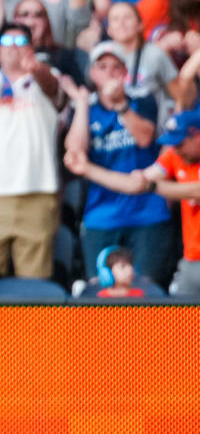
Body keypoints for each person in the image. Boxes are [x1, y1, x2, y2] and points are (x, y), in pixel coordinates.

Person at [62, 43, 173, 287]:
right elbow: (75, 153)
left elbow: (145, 138)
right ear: (92, 73)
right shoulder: (87, 106)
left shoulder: (142, 98)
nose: (109, 72)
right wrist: (80, 104)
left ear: (125, 72)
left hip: (147, 212)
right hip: (101, 214)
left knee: (147, 290)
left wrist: (121, 104)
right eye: (102, 66)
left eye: (115, 66)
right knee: (99, 292)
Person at [66, 107, 200, 296]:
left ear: (197, 136)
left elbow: (196, 191)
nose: (176, 149)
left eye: (180, 143)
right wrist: (86, 169)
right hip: (192, 258)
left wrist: (152, 186)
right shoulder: (175, 156)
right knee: (183, 320)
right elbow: (134, 184)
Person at [0, 24, 62, 279]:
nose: (13, 45)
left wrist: (37, 69)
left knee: (35, 281)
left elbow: (55, 91)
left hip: (39, 190)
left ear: (31, 46)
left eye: (20, 39)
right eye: (6, 40)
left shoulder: (47, 74)